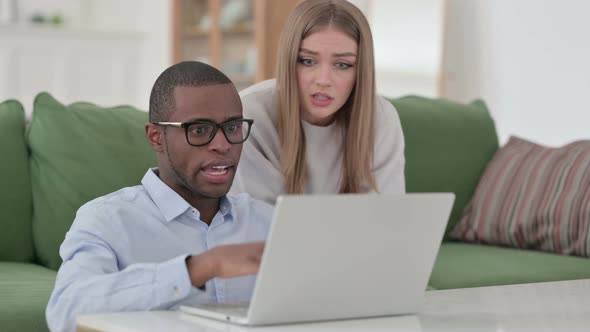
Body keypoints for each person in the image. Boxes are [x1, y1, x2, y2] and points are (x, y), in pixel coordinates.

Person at [46, 61, 273, 332]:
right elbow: (66, 311)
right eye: (199, 130)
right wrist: (196, 269)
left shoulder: (268, 221)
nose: (222, 145)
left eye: (233, 127)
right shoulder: (107, 219)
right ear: (156, 137)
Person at [231, 0, 406, 204]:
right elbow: (258, 222)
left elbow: (387, 214)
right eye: (307, 61)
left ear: (360, 70)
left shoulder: (382, 117)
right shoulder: (249, 115)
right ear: (289, 61)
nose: (323, 80)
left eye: (342, 64)